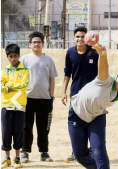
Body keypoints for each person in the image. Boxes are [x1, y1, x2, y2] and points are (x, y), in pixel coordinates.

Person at [68, 43, 118, 169]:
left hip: (97, 118)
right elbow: (103, 69)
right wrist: (102, 55)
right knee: (80, 155)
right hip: (77, 115)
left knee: (98, 151)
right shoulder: (106, 80)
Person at [62, 26, 99, 163]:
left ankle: (92, 150)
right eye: (77, 36)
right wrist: (63, 92)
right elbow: (67, 74)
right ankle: (76, 151)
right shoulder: (70, 52)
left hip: (92, 95)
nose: (80, 39)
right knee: (76, 124)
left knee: (92, 121)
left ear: (87, 38)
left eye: (82, 36)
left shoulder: (94, 52)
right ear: (74, 38)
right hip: (76, 96)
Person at [20, 31, 58, 163]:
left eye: (39, 42)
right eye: (34, 42)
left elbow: (52, 79)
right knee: (26, 127)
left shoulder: (48, 60)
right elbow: (19, 79)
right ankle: (25, 152)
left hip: (45, 100)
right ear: (30, 44)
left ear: (43, 44)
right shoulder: (24, 59)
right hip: (27, 99)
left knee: (43, 128)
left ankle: (44, 152)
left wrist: (51, 96)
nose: (37, 44)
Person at [1, 44, 29, 169]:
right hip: (7, 105)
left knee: (18, 132)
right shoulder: (4, 71)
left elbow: (24, 86)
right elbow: (1, 86)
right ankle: (7, 158)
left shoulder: (25, 70)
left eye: (15, 56)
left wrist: (9, 86)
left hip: (19, 105)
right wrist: (8, 86)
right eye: (10, 56)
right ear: (7, 57)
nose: (13, 59)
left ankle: (17, 158)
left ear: (19, 56)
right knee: (6, 132)